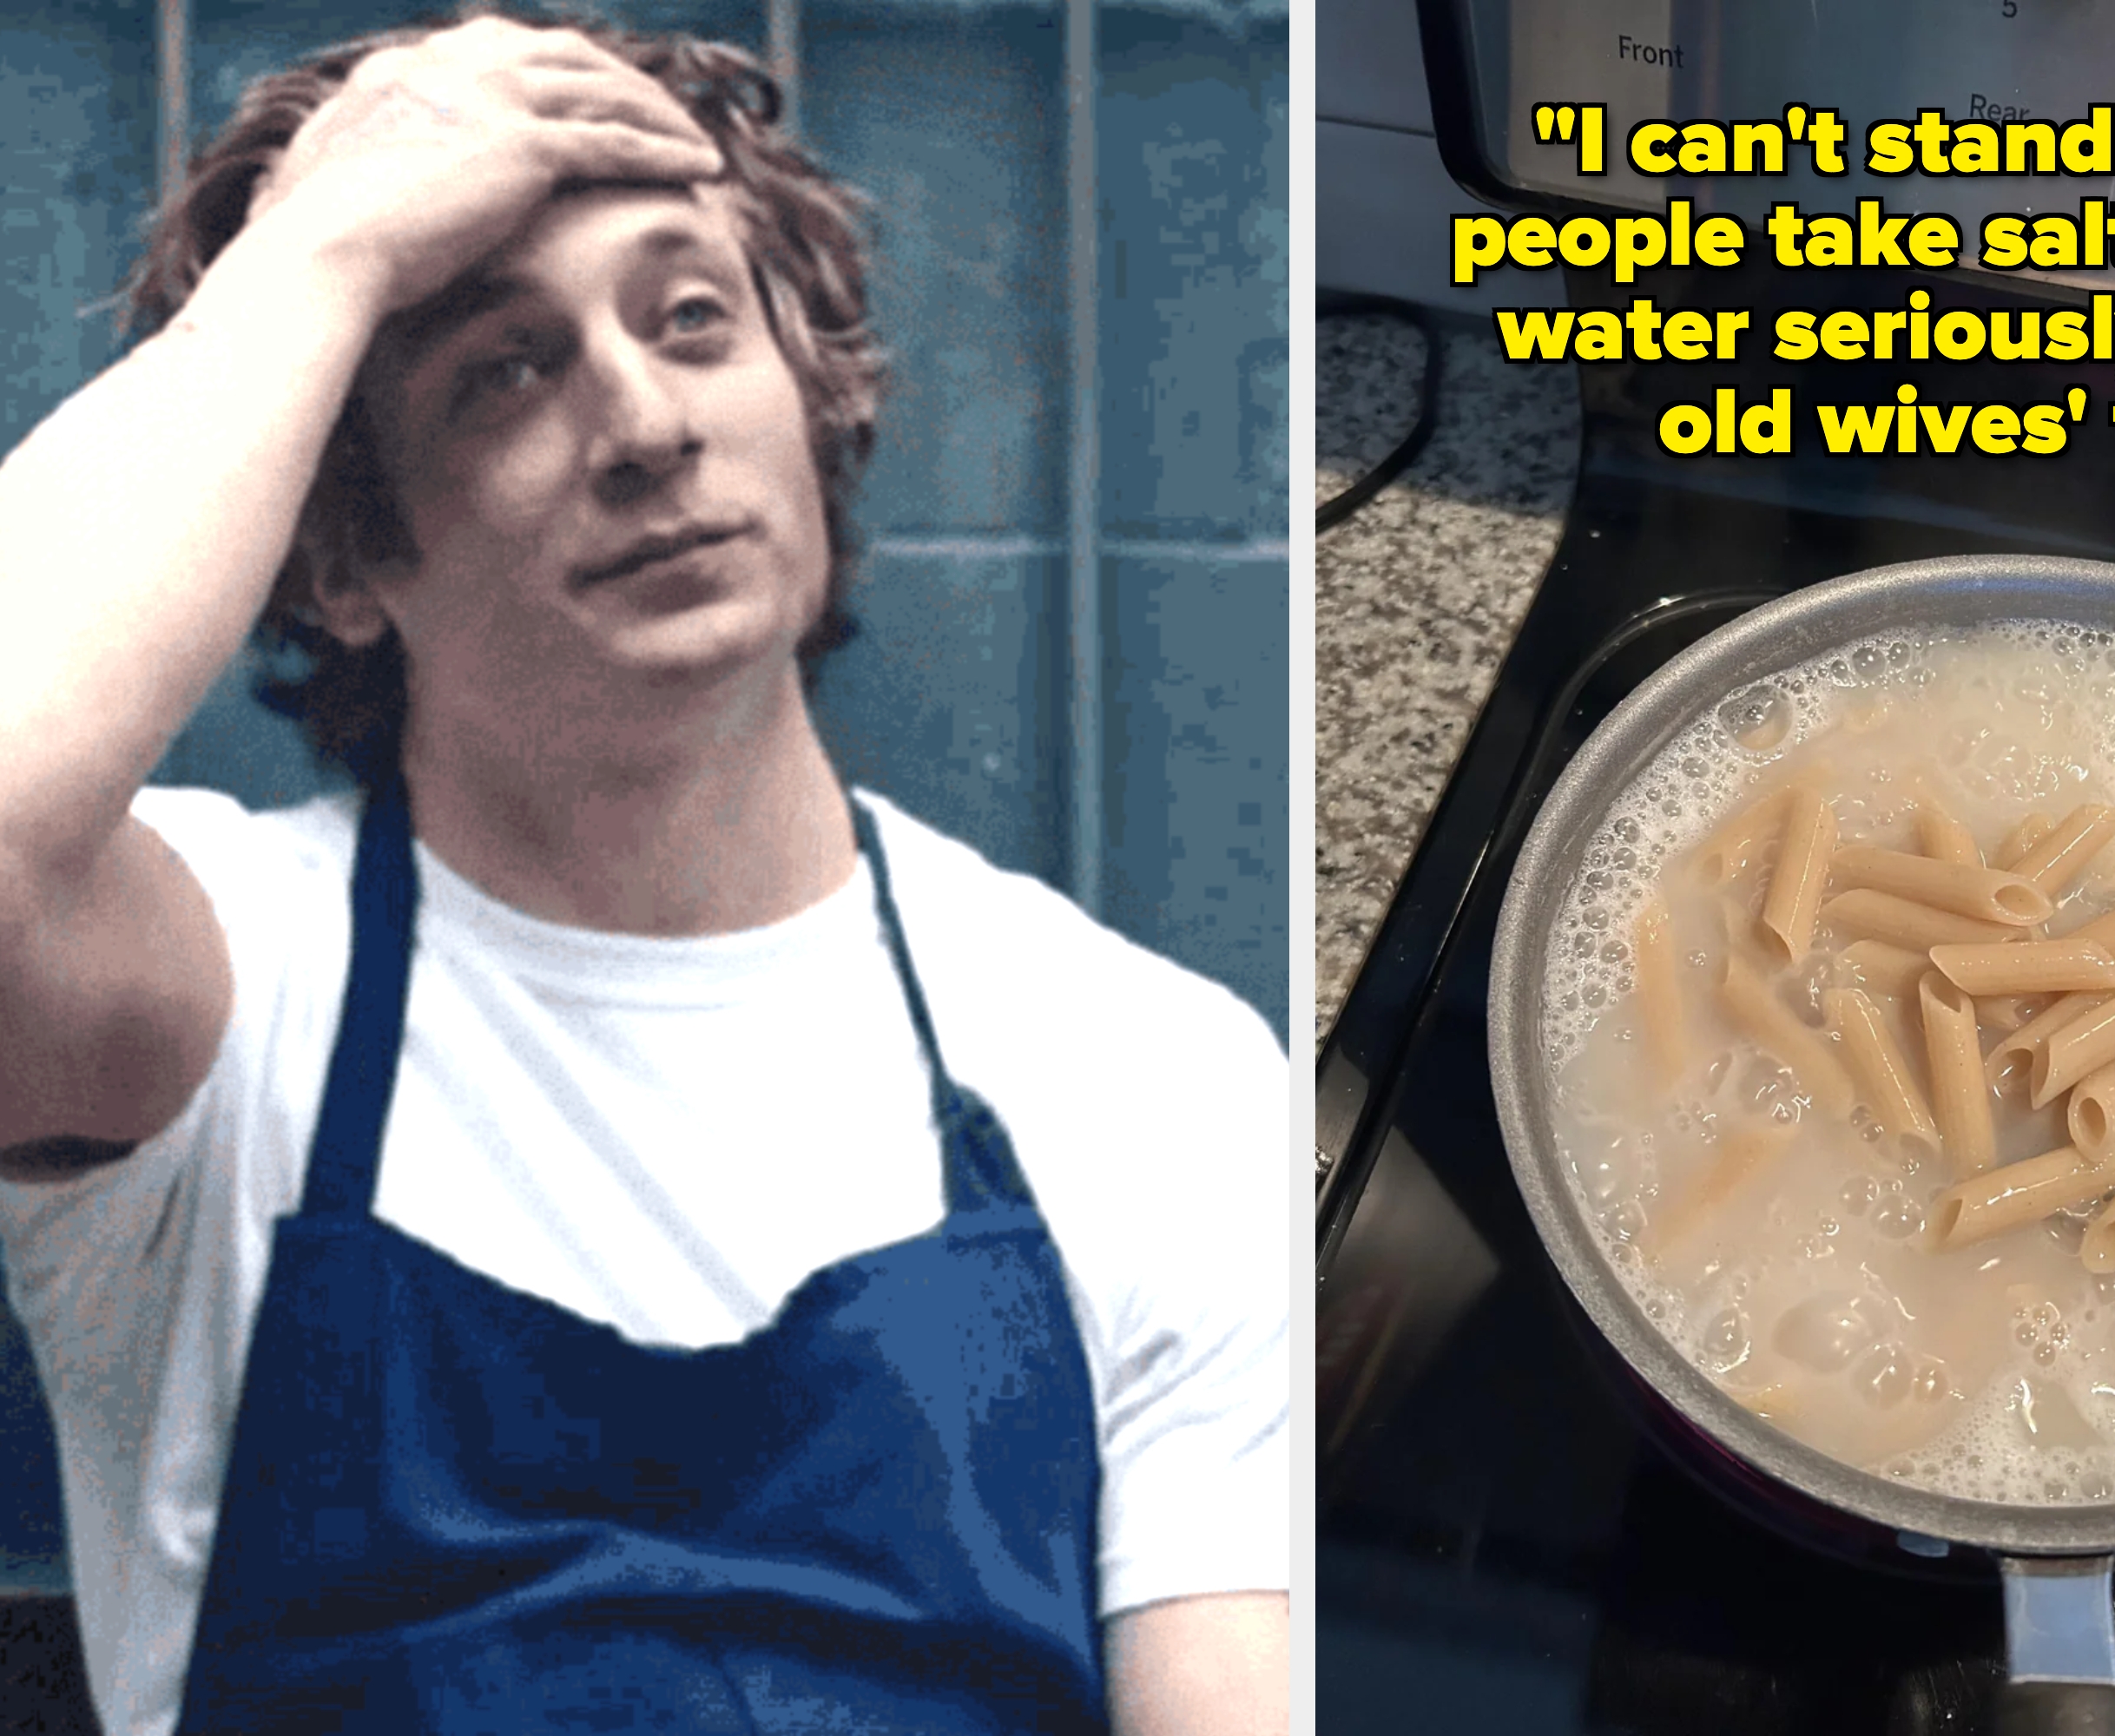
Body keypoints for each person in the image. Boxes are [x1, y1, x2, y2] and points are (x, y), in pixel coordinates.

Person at [0, 10, 1288, 1734]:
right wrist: (324, 247)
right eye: (503, 370)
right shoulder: (226, 999)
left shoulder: (1149, 1075)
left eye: (691, 318)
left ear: (810, 397)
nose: (645, 422)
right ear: (339, 554)